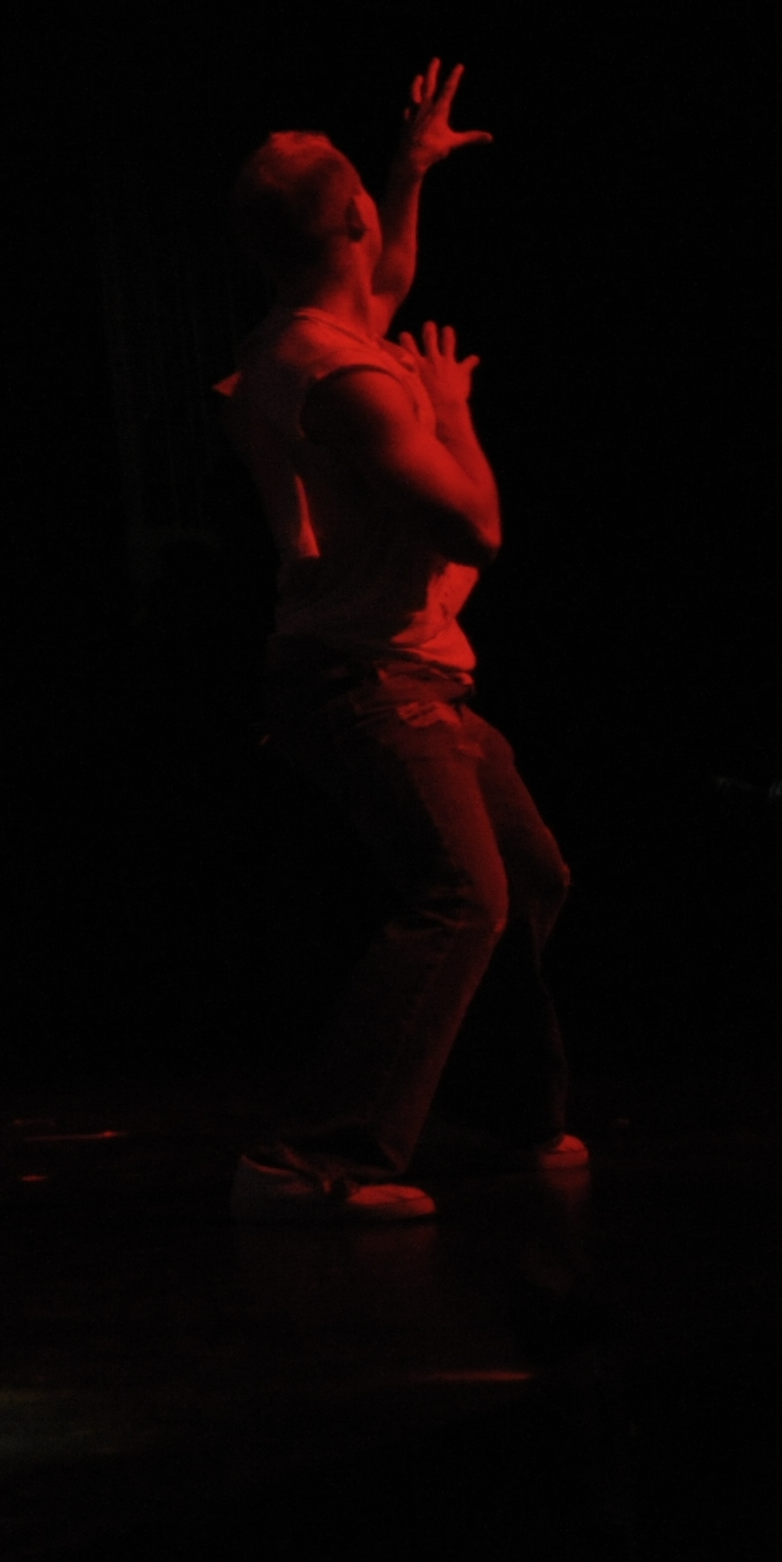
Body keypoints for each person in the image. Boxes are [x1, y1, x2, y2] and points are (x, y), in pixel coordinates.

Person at [218, 64, 574, 1221]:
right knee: (459, 894)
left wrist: (408, 170)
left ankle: (506, 1112)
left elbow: (381, 282)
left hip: (403, 670)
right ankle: (311, 1156)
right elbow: (477, 528)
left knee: (524, 877)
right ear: (350, 223)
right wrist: (455, 413)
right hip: (365, 680)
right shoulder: (345, 378)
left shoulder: (302, 336)